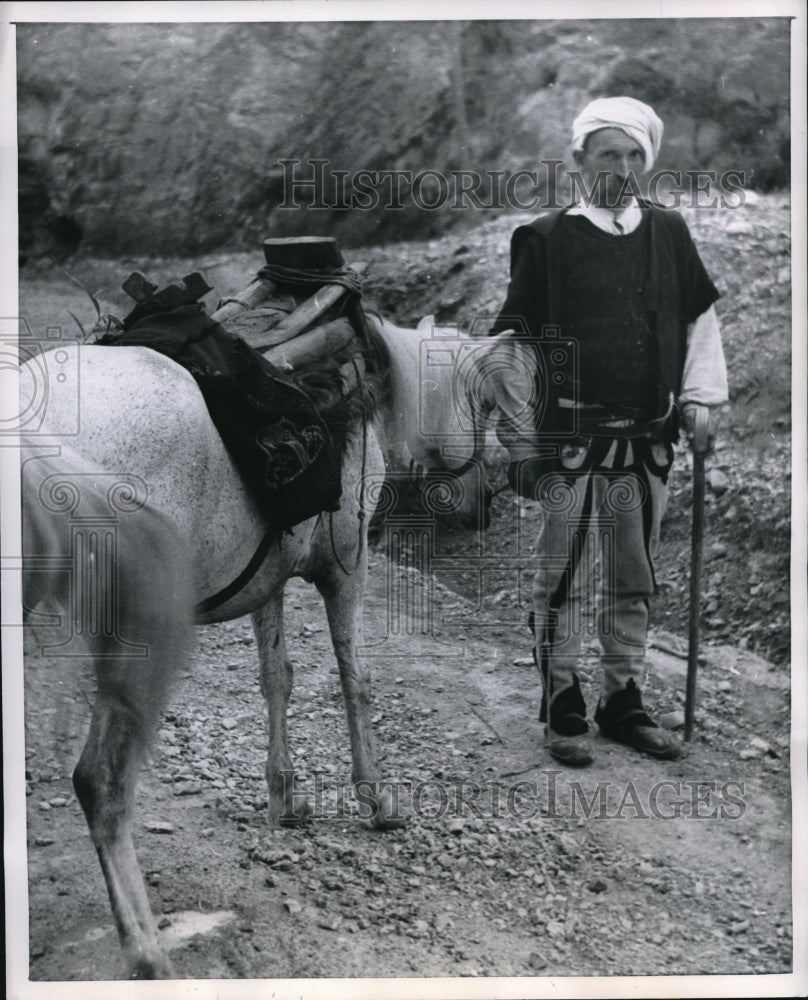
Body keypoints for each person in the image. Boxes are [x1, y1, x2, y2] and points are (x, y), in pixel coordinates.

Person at [489, 96, 728, 766]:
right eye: (607, 155)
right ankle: (562, 705)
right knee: (562, 577)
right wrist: (521, 445)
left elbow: (697, 326)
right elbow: (512, 346)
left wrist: (701, 399)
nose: (620, 169)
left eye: (633, 157)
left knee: (635, 575)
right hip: (569, 442)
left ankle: (623, 700)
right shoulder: (544, 239)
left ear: (645, 163)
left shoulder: (669, 233)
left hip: (647, 441)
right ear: (578, 162)